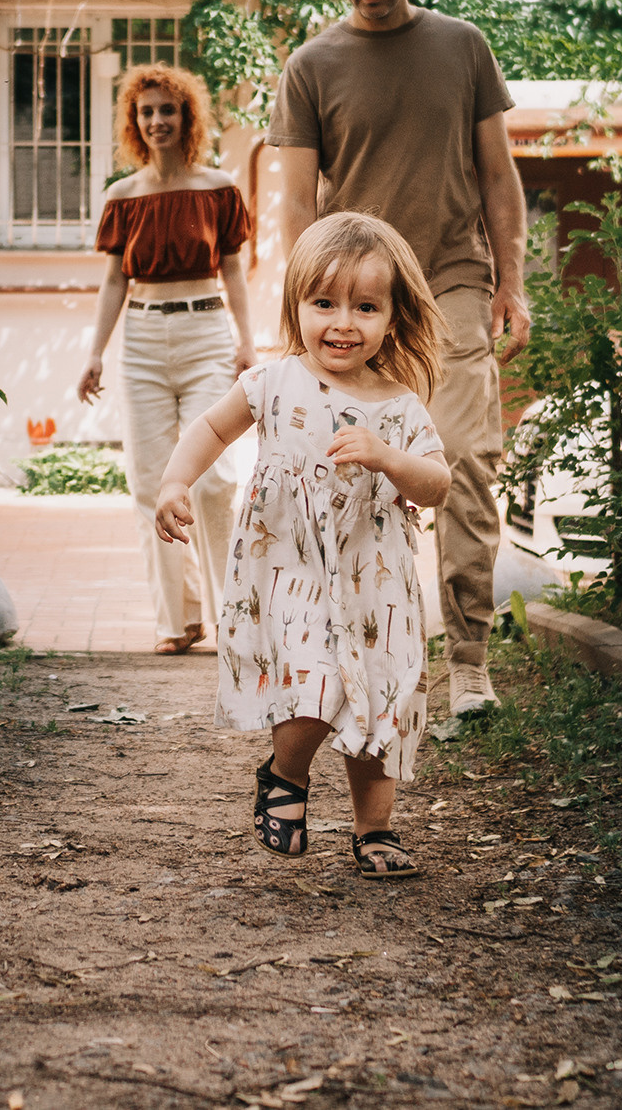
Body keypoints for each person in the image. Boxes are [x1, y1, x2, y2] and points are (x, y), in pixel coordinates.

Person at [267, 0, 531, 728]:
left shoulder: (463, 48)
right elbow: (295, 204)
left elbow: (500, 178)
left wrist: (511, 283)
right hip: (358, 298)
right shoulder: (311, 67)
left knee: (460, 462)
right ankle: (352, 655)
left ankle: (468, 665)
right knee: (346, 474)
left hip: (451, 282)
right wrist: (306, 311)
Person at [153, 212, 450, 878]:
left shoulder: (400, 408)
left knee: (377, 700)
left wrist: (388, 459)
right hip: (294, 569)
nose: (343, 322)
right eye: (324, 303)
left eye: (365, 307)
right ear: (297, 306)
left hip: (374, 580)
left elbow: (438, 482)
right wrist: (175, 481)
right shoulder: (274, 382)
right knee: (314, 683)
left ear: (392, 319)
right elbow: (211, 428)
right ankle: (286, 775)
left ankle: (375, 830)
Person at [77, 63, 256, 656]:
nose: (157, 121)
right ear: (136, 121)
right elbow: (112, 284)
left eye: (167, 110)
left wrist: (247, 341)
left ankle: (232, 617)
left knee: (211, 480)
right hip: (143, 343)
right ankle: (177, 621)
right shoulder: (121, 198)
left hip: (206, 331)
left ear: (187, 118)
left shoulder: (219, 188)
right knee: (151, 482)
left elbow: (233, 268)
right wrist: (94, 354)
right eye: (146, 111)